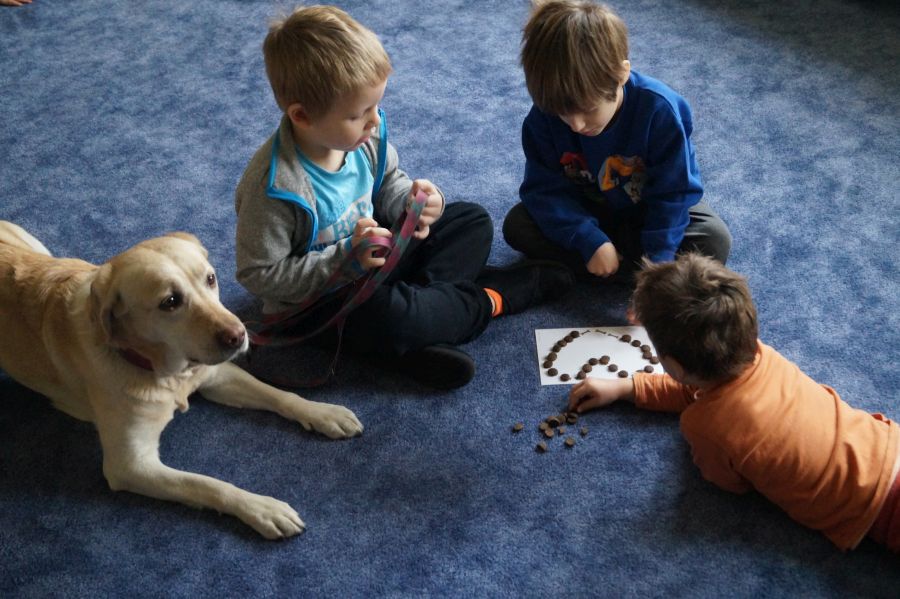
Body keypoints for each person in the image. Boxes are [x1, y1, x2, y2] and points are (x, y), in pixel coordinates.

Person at [235, 5, 573, 390]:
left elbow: (388, 181)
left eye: (375, 106)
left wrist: (415, 203)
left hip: (379, 259)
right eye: (359, 114)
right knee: (393, 317)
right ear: (302, 116)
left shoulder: (364, 136)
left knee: (471, 221)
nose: (374, 120)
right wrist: (345, 258)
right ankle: (489, 299)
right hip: (322, 302)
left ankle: (422, 325)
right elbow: (258, 275)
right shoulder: (274, 187)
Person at [567, 253, 900, 552]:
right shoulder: (760, 354)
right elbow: (696, 388)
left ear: (676, 367)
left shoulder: (705, 427)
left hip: (878, 509)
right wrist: (627, 387)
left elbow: (730, 483)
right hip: (886, 445)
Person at [503, 0, 732, 280]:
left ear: (621, 74)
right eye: (562, 113)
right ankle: (613, 262)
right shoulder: (543, 116)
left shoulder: (659, 110)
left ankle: (621, 269)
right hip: (589, 211)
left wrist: (658, 261)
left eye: (588, 110)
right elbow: (543, 190)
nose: (576, 125)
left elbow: (675, 193)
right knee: (518, 226)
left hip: (648, 212)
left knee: (713, 239)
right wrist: (589, 239)